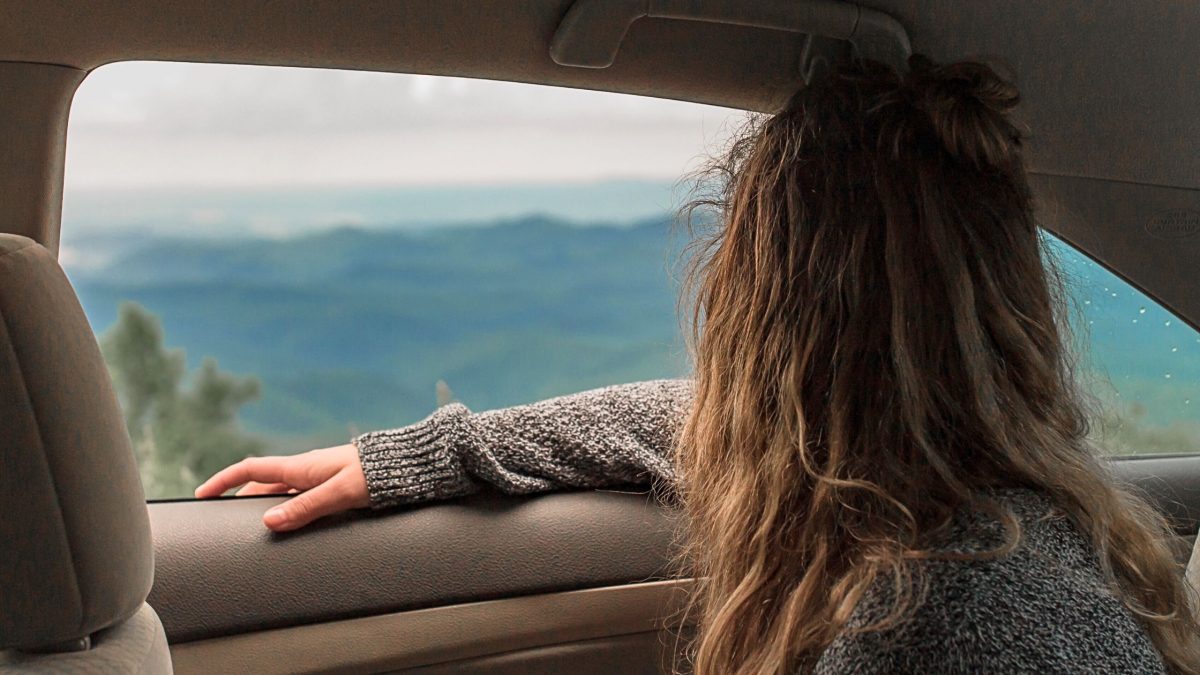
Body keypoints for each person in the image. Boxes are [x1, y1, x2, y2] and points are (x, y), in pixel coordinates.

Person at [196, 55, 1200, 673]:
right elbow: (683, 421)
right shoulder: (985, 525)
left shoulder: (947, 618)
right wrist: (413, 460)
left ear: (779, 331)